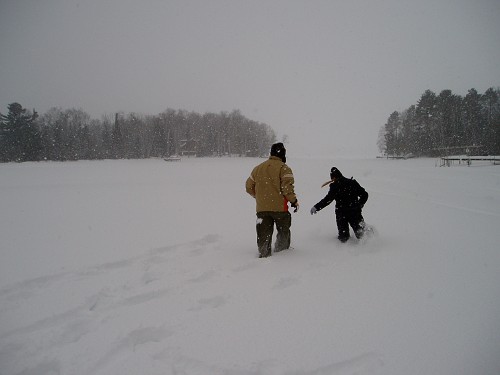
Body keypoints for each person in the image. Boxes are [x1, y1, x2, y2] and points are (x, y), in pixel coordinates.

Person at [245, 142, 299, 258]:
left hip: (262, 208)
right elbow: (287, 189)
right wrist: (294, 201)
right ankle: (282, 255)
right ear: (283, 154)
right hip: (280, 208)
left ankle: (264, 254)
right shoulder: (284, 168)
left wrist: (258, 197)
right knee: (283, 231)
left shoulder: (258, 168)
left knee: (263, 234)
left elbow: (248, 187)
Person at [310, 167, 368, 243]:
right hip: (354, 212)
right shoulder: (352, 183)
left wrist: (316, 207)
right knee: (362, 235)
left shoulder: (335, 186)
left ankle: (348, 247)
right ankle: (370, 244)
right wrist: (359, 204)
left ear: (333, 177)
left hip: (342, 214)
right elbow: (365, 195)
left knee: (344, 238)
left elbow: (328, 200)